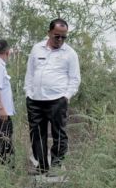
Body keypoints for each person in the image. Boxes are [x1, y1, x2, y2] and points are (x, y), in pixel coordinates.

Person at [25, 18, 81, 173]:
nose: (60, 40)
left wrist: (66, 96)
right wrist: (28, 93)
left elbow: (75, 79)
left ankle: (56, 166)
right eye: (57, 36)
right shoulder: (37, 49)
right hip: (35, 99)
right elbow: (30, 72)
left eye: (64, 37)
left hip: (57, 100)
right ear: (49, 33)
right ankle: (42, 166)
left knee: (59, 134)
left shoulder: (70, 53)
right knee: (37, 133)